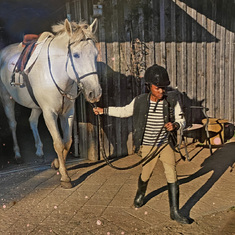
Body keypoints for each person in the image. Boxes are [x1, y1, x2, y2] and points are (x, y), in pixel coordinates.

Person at [93, 64, 191, 224]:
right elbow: (124, 111)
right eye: (158, 88)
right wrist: (104, 111)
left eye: (164, 88)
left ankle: (175, 211)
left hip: (165, 144)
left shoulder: (172, 100)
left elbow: (182, 120)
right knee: (146, 173)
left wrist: (176, 125)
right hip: (147, 146)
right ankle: (140, 193)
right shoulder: (139, 101)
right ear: (149, 86)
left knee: (172, 174)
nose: (161, 91)